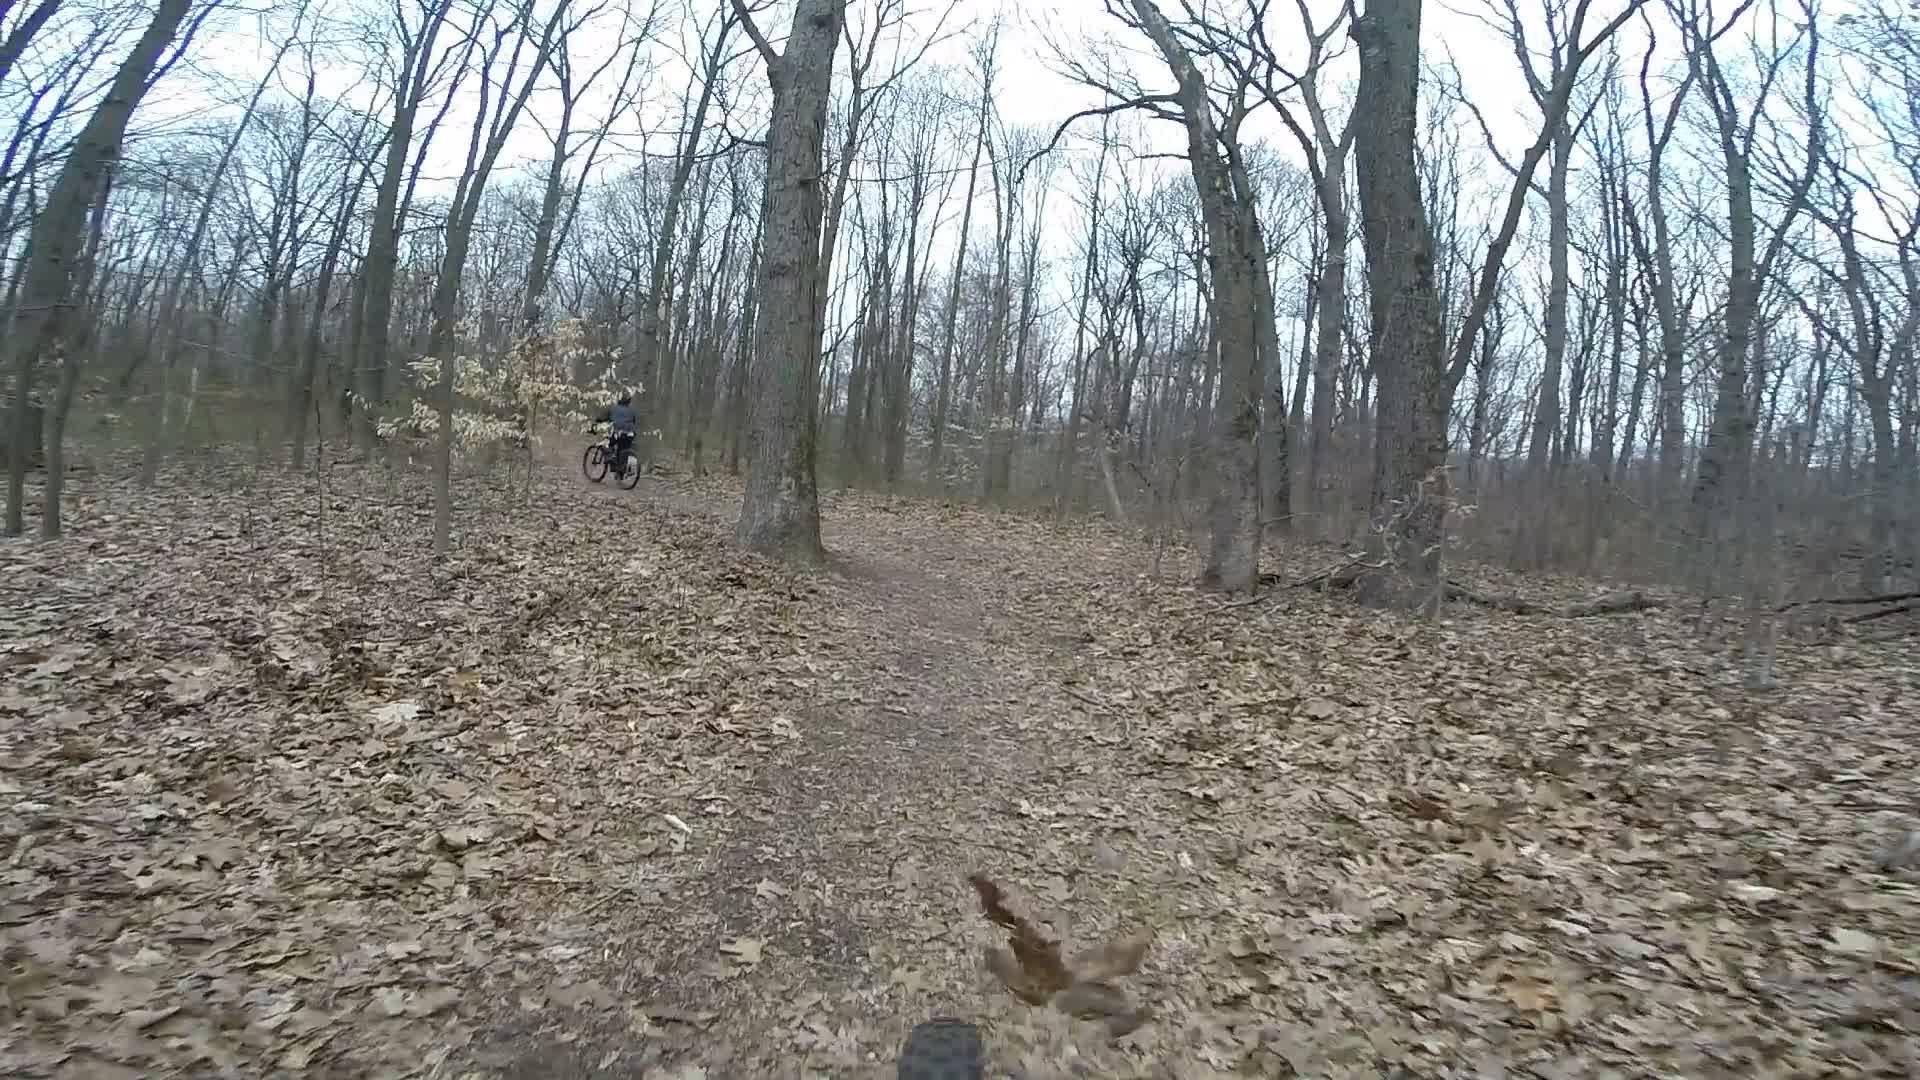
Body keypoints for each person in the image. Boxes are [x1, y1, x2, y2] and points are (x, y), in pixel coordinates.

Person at [595, 393, 638, 472]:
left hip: (618, 432)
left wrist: (597, 421)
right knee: (624, 449)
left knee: (606, 443)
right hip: (630, 434)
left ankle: (610, 458)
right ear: (629, 402)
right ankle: (622, 469)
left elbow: (602, 418)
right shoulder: (632, 411)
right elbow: (634, 422)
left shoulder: (613, 408)